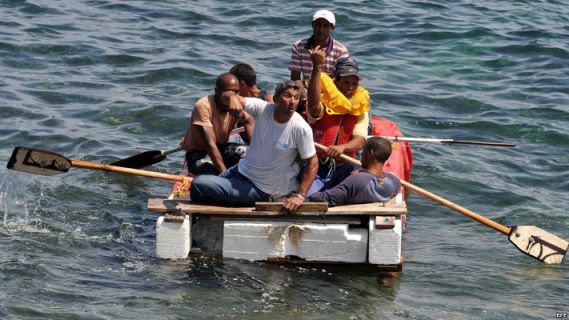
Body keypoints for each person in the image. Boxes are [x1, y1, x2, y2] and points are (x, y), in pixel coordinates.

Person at [190, 80, 319, 213]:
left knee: (198, 184)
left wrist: (300, 196)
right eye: (287, 96)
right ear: (275, 99)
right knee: (198, 188)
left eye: (296, 98)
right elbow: (224, 96)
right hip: (240, 170)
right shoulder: (263, 108)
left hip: (261, 188)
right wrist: (233, 98)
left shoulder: (301, 128)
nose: (292, 101)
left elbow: (313, 162)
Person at [304, 47, 370, 195]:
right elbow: (314, 107)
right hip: (316, 164)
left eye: (354, 83)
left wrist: (342, 148)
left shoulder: (360, 106)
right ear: (336, 80)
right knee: (310, 197)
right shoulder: (323, 100)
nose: (350, 88)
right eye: (346, 82)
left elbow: (360, 140)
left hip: (345, 166)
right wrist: (317, 68)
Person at [180, 73, 254, 175]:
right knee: (211, 173)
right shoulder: (203, 106)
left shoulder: (237, 104)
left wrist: (255, 146)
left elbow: (249, 121)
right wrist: (224, 175)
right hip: (200, 152)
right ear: (217, 91)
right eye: (229, 92)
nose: (233, 96)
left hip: (222, 147)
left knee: (251, 154)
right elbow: (210, 144)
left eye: (236, 92)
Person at [309, 137, 401, 206]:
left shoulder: (357, 180)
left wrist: (311, 195)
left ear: (370, 153)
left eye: (363, 150)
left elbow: (327, 198)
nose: (361, 154)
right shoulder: (394, 181)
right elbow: (379, 183)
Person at [289, 9, 349, 81]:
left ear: (332, 28)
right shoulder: (299, 46)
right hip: (306, 89)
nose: (321, 29)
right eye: (318, 24)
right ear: (312, 25)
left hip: (330, 89)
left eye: (325, 26)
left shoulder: (341, 50)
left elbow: (341, 80)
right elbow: (295, 78)